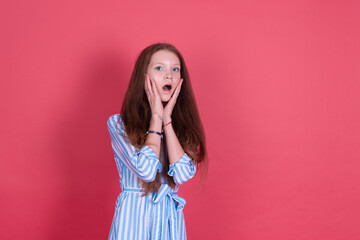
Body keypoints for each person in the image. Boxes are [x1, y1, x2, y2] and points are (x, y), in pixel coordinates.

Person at [107, 43, 207, 240]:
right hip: (133, 223)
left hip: (169, 223)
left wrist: (167, 121)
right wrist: (156, 117)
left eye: (175, 69)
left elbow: (182, 174)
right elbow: (145, 170)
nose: (168, 75)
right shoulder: (119, 124)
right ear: (143, 77)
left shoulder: (186, 128)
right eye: (159, 68)